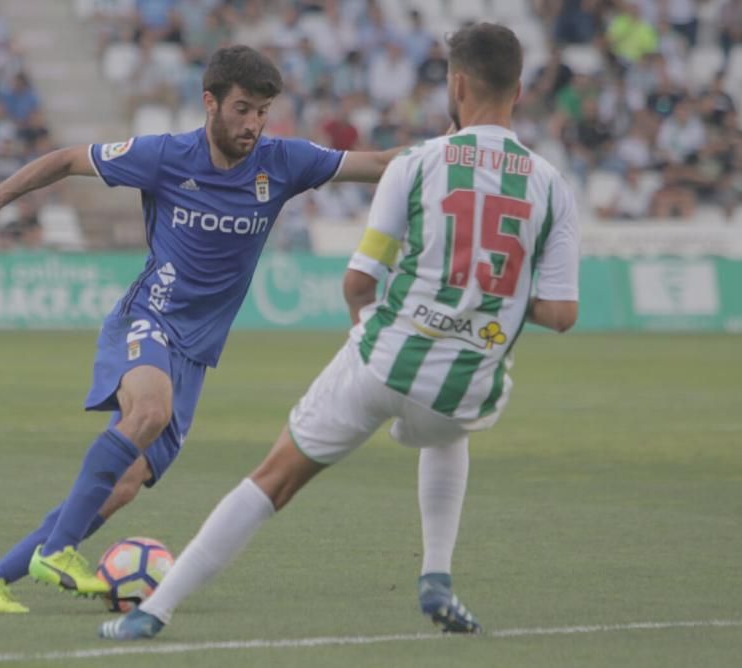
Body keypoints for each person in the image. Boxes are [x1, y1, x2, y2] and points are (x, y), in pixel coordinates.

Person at [98, 23, 581, 641]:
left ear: (456, 84)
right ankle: (436, 575)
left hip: (382, 361)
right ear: (519, 89)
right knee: (446, 429)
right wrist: (486, 302)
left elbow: (359, 282)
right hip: (468, 382)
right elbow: (561, 314)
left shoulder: (419, 164)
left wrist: (375, 336)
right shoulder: (551, 185)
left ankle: (151, 612)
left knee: (273, 479)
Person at [0, 45, 401, 613]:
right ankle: (59, 550)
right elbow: (66, 160)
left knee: (122, 486)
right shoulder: (164, 155)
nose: (253, 124)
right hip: (147, 319)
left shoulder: (284, 162)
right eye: (242, 109)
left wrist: (459, 152)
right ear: (209, 102)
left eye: (262, 111)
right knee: (147, 412)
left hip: (196, 353)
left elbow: (383, 164)